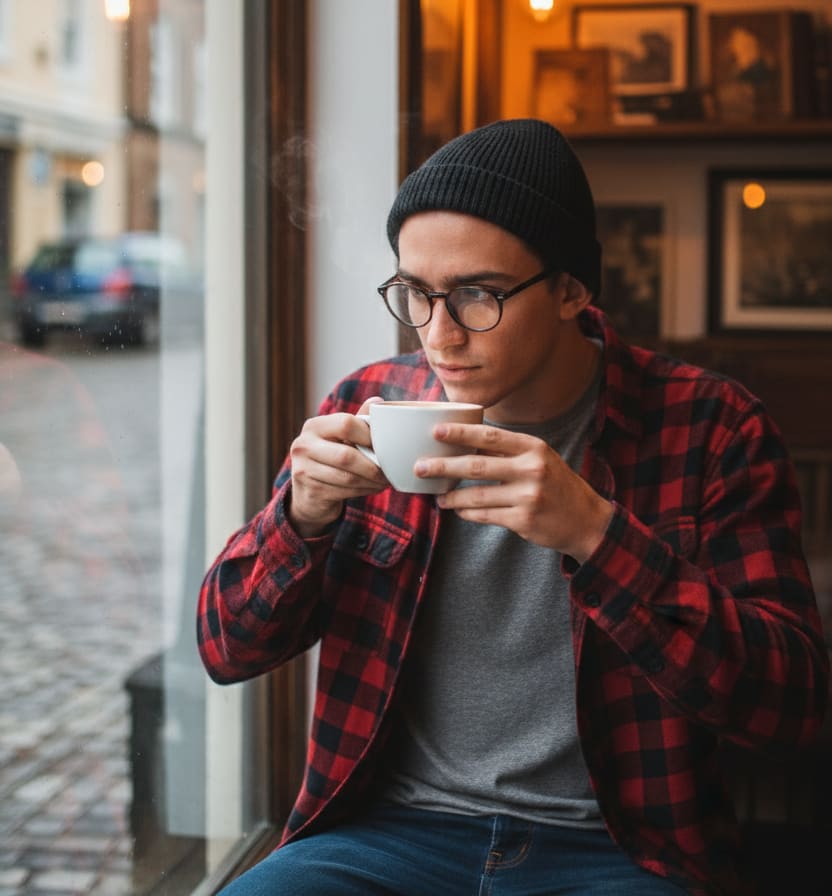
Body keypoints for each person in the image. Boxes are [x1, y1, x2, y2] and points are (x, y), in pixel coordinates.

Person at [197, 119, 829, 895]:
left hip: (622, 848)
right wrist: (299, 520)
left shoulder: (712, 427)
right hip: (384, 834)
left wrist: (597, 535)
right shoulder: (369, 404)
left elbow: (792, 707)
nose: (439, 334)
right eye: (415, 294)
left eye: (476, 295)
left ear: (571, 289)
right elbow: (227, 650)